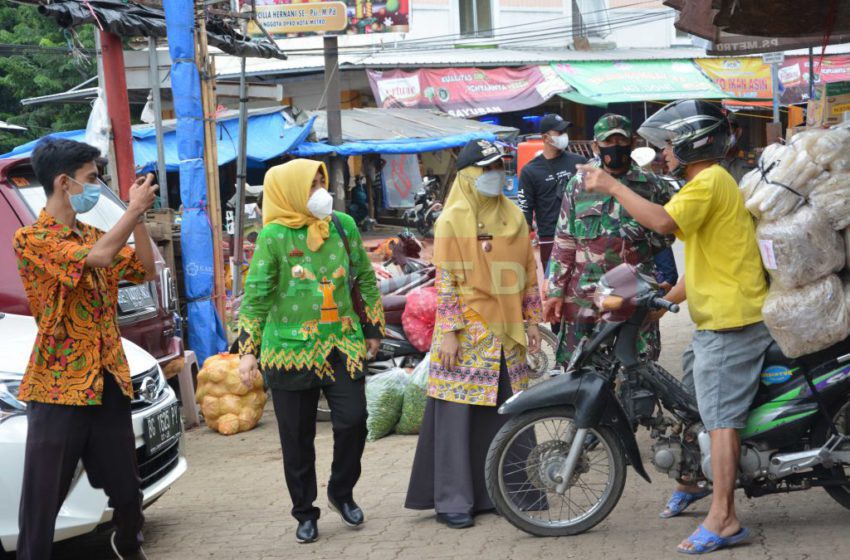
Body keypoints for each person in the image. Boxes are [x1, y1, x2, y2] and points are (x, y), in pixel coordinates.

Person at [578, 100, 771, 554]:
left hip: (732, 320)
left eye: (667, 143)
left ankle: (724, 518)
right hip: (712, 316)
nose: (662, 152)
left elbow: (661, 221)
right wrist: (663, 300)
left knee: (721, 418)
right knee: (690, 403)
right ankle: (698, 479)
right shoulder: (707, 184)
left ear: (691, 141)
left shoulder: (708, 182)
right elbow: (706, 262)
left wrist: (609, 185)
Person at [13, 138, 159, 560]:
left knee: (129, 494)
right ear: (64, 183)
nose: (97, 186)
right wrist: (130, 210)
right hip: (59, 388)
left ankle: (128, 546)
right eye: (92, 178)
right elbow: (96, 258)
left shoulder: (97, 234)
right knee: (42, 504)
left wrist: (141, 219)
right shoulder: (33, 239)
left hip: (107, 382)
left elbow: (145, 269)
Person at [236, 159, 384, 545]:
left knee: (354, 421)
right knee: (297, 439)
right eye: (312, 184)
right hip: (288, 349)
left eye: (322, 181)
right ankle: (305, 511)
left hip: (341, 342)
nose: (321, 190)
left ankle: (341, 491)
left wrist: (372, 328)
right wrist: (247, 350)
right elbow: (255, 297)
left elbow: (364, 277)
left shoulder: (342, 225)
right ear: (289, 193)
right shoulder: (272, 237)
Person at [405, 139, 543, 529]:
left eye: (499, 166)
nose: (494, 174)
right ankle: (455, 500)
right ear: (467, 176)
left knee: (508, 411)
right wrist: (447, 331)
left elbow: (527, 275)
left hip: (509, 331)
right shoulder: (451, 219)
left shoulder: (513, 216)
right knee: (457, 416)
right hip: (466, 332)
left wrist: (532, 322)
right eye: (486, 168)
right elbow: (445, 280)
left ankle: (511, 492)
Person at [544, 114, 674, 365]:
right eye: (608, 141)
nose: (615, 147)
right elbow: (564, 242)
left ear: (633, 143)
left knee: (637, 373)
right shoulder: (578, 185)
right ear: (595, 146)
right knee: (579, 372)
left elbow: (664, 240)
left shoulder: (652, 187)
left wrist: (666, 282)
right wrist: (555, 291)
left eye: (621, 140)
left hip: (634, 298)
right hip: (584, 299)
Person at [517, 113, 587, 272]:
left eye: (565, 132)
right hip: (551, 239)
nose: (564, 136)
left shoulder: (579, 162)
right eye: (559, 133)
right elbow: (524, 214)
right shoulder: (530, 171)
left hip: (581, 235)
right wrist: (522, 253)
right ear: (545, 137)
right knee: (554, 290)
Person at [720, 113, 754, 184]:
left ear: (738, 132)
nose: (723, 136)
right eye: (720, 131)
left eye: (728, 131)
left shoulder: (753, 160)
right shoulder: (708, 163)